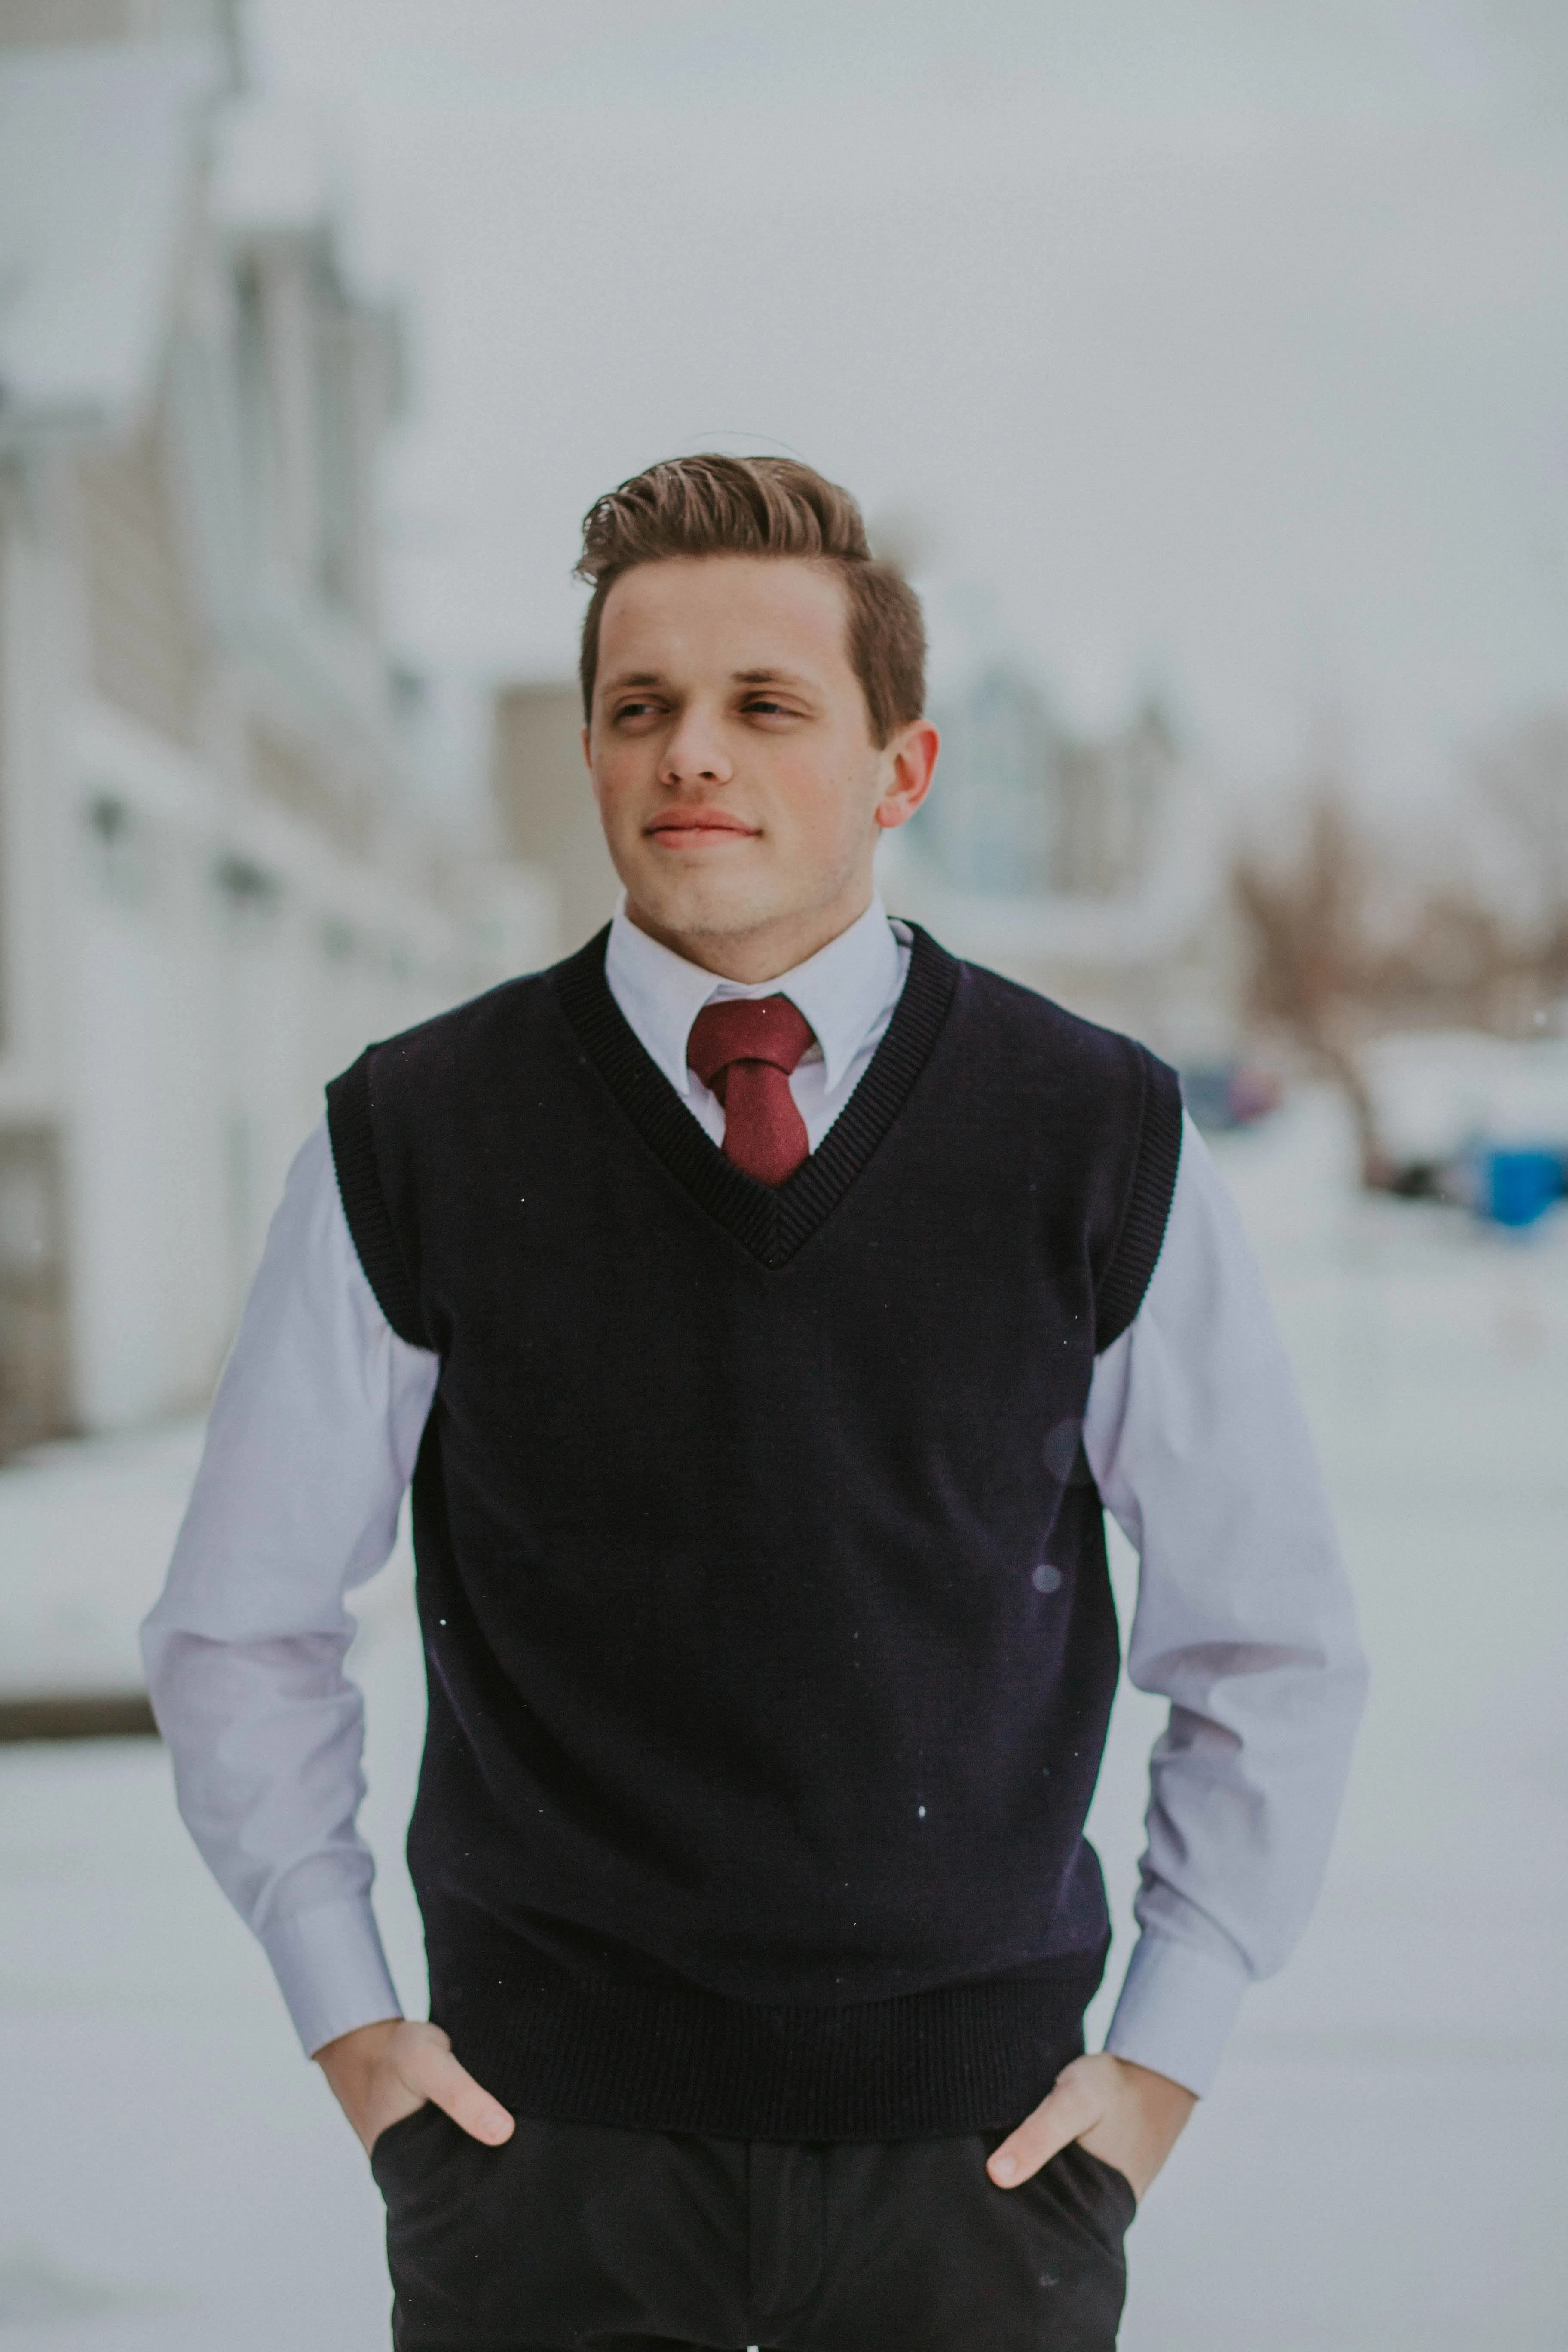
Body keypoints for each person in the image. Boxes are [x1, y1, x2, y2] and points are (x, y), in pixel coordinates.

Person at [143, 454, 1366, 2352]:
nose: (689, 753)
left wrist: (1160, 2072)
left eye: (764, 705)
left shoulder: (1093, 1134)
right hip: (543, 2175)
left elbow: (1270, 1641)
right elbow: (238, 1627)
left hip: (982, 2180)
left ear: (904, 769)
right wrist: (356, 2028)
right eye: (641, 708)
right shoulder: (420, 1133)